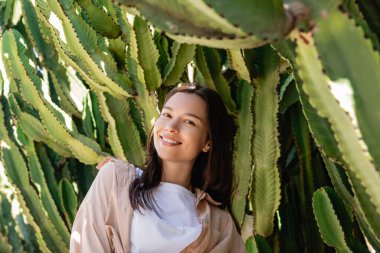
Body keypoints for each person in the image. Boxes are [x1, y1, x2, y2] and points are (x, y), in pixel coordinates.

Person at [70, 84, 246, 253]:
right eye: (167, 115)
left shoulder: (221, 227)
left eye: (189, 122)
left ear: (208, 142)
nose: (171, 127)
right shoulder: (116, 180)